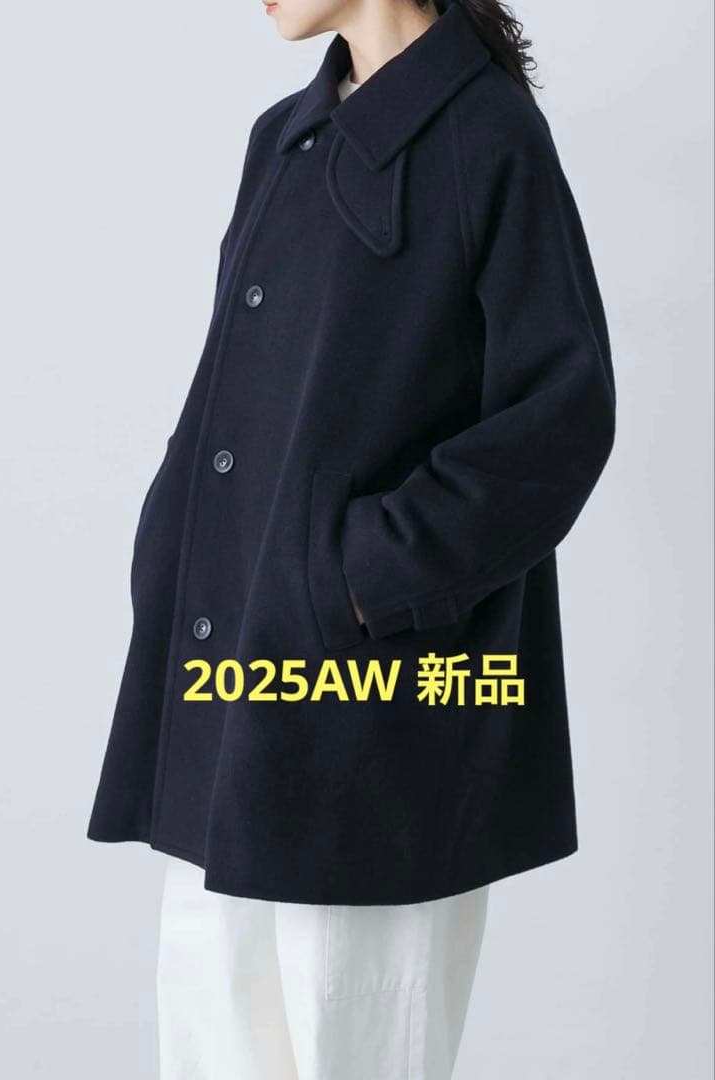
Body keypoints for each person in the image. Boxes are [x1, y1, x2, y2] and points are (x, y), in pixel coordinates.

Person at [86, 1, 617, 1077]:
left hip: (375, 718)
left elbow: (562, 414)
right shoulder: (282, 138)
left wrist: (365, 575)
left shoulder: (487, 134)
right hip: (229, 698)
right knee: (212, 1047)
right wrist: (167, 543)